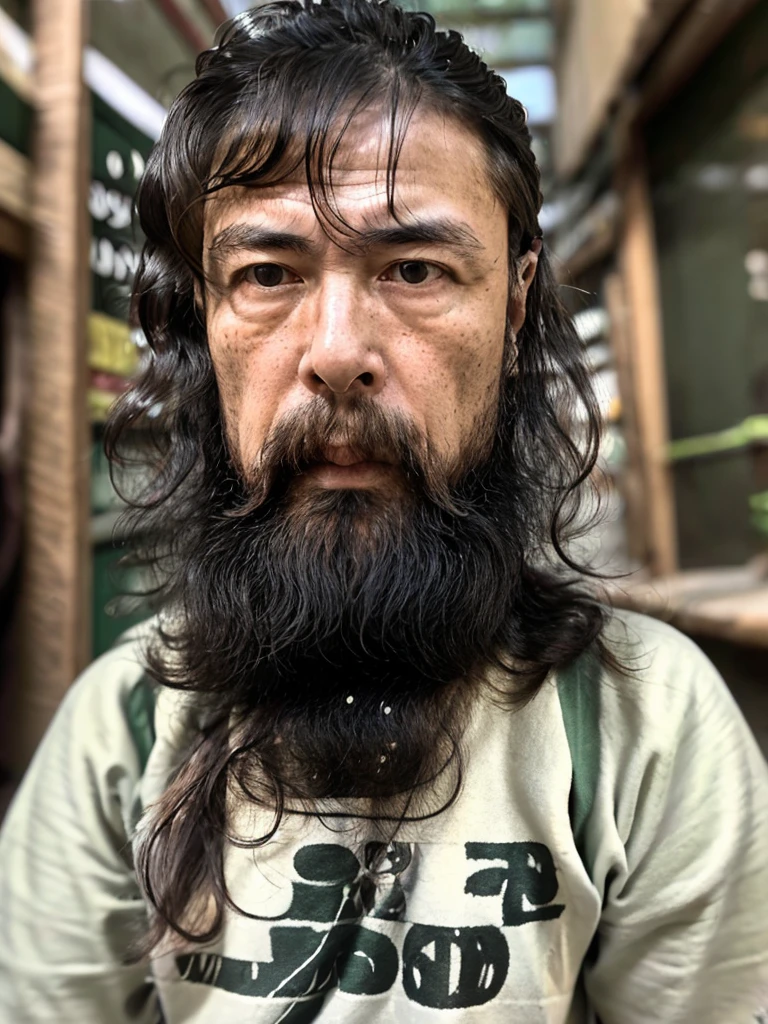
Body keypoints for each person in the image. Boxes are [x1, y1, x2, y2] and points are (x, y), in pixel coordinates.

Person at [1, 2, 767, 1021]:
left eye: (415, 269)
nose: (335, 352)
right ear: (205, 319)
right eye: (267, 273)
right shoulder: (124, 733)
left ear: (513, 302)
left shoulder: (646, 732)